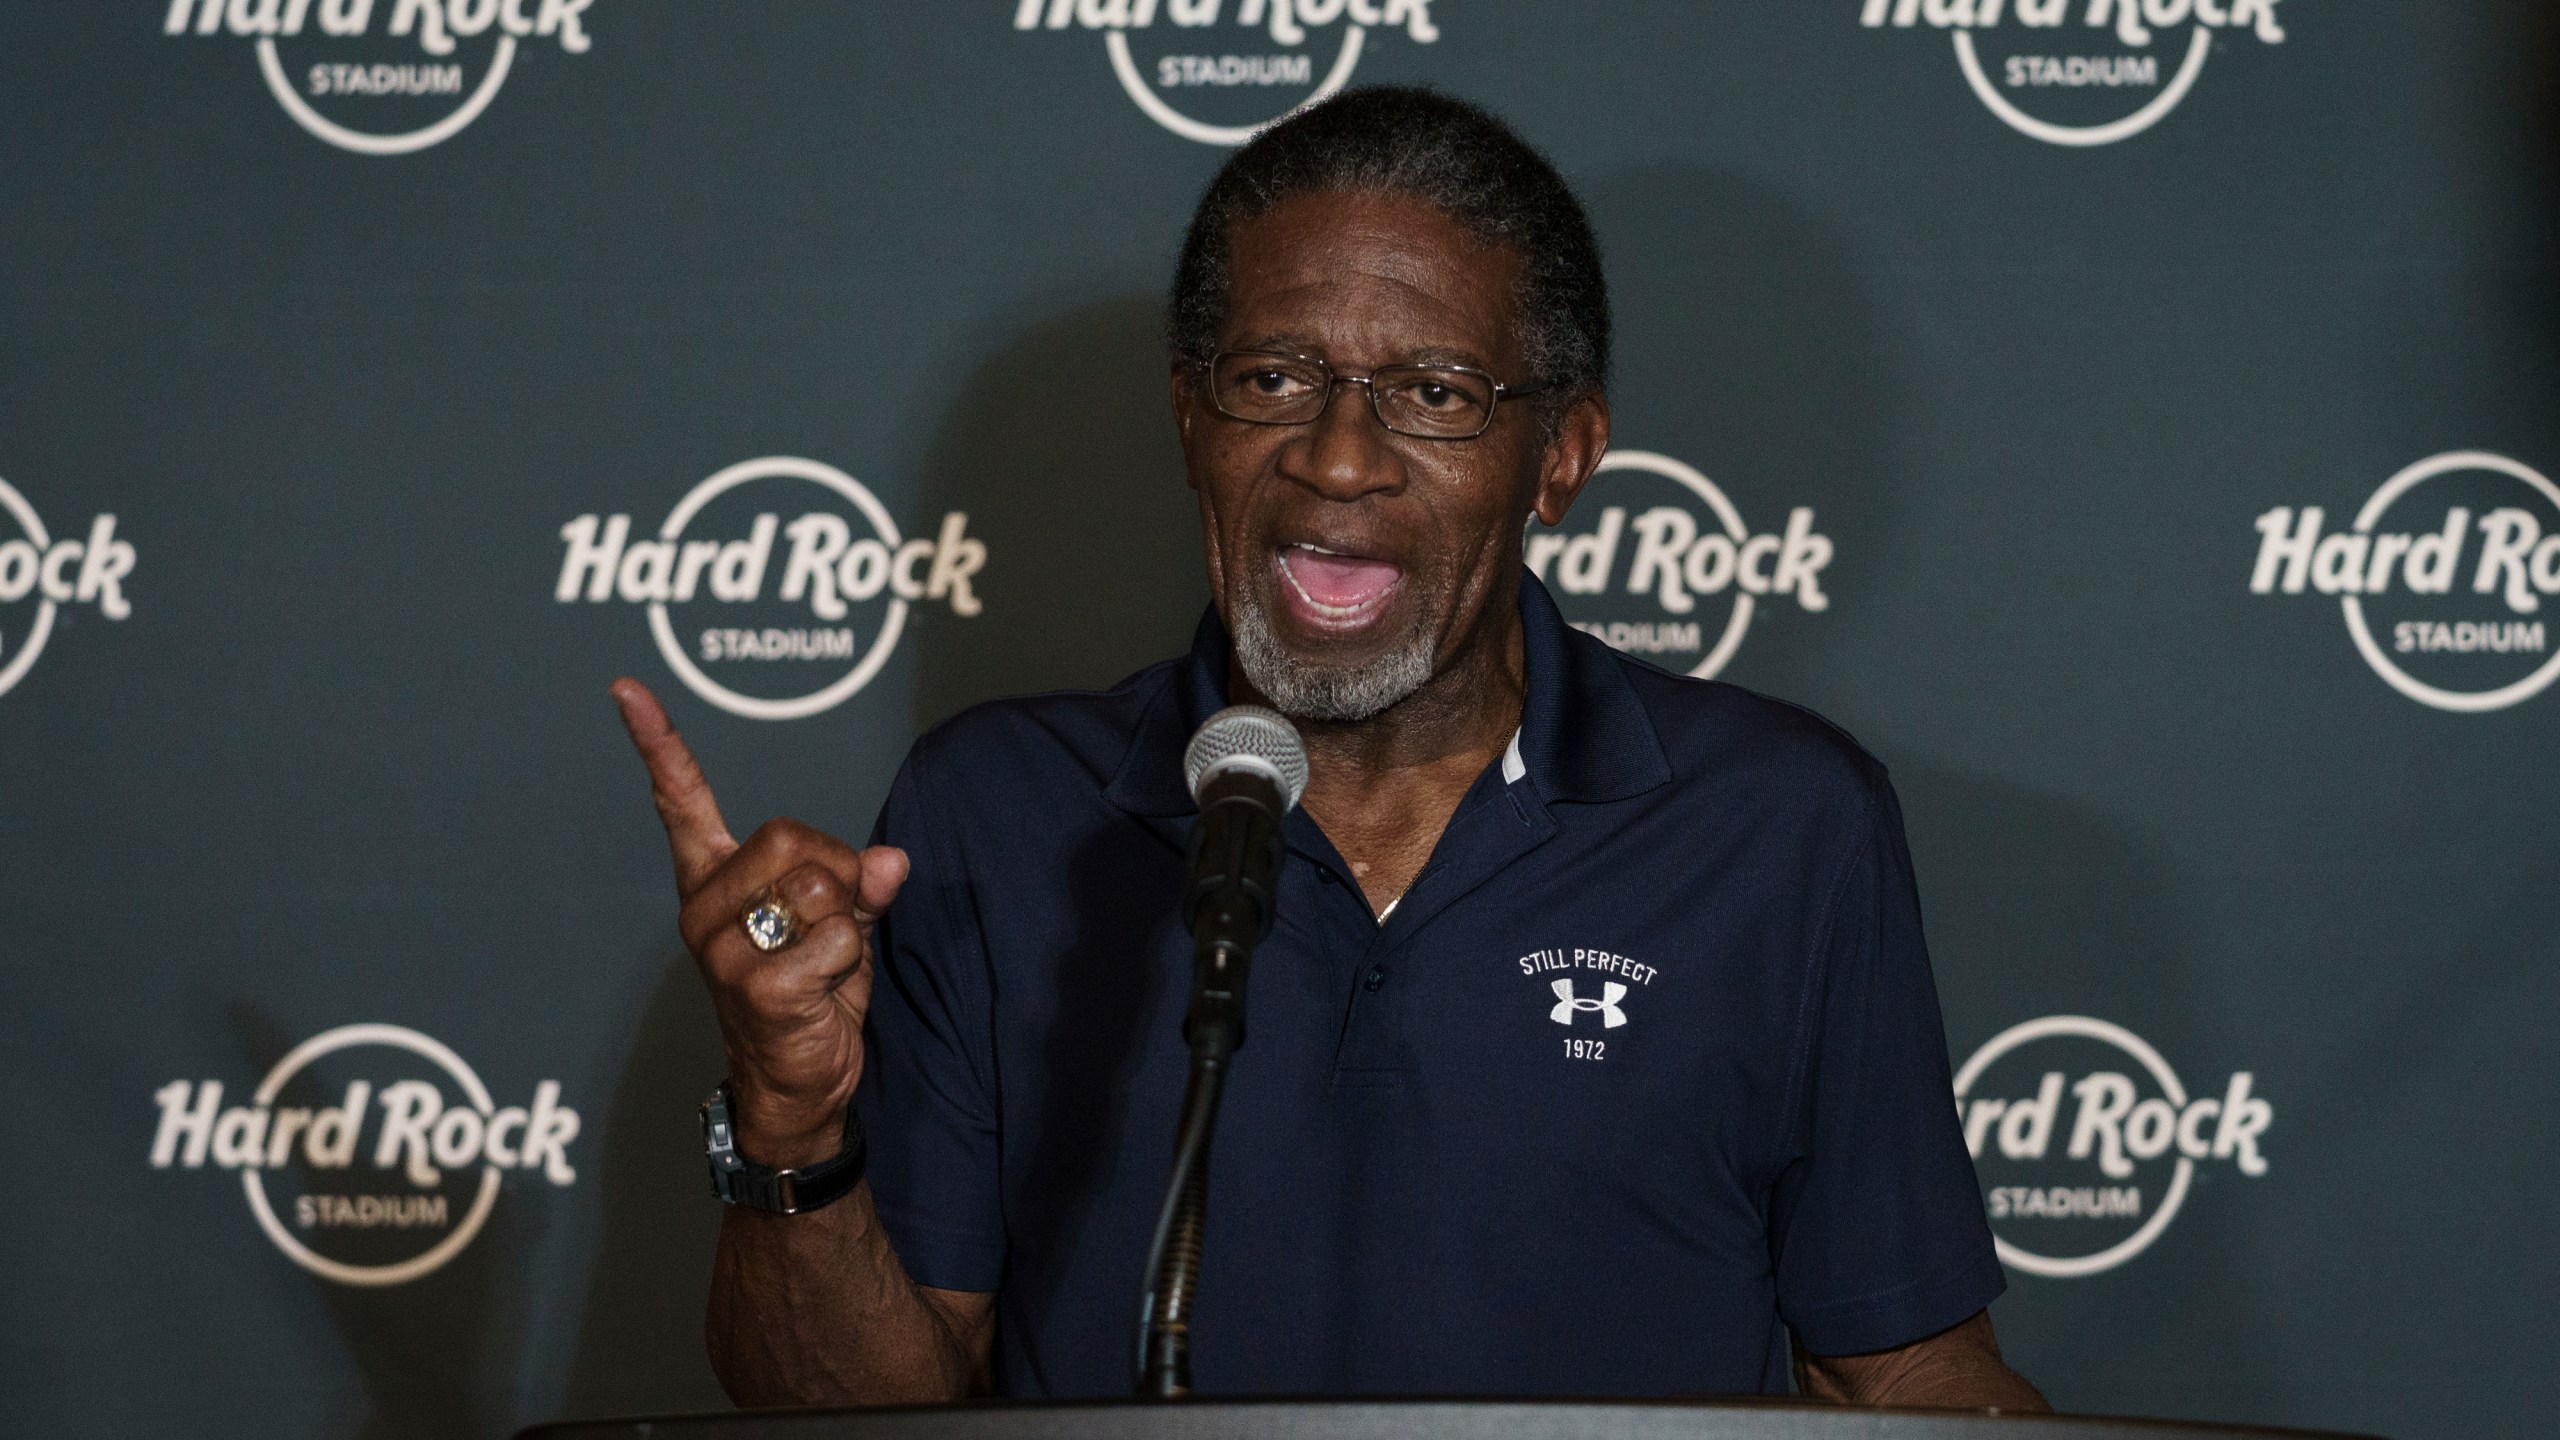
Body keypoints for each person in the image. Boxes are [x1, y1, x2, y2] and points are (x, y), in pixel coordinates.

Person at [610, 86, 2046, 1411]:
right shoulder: (987, 814)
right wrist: (792, 1130)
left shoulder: (1781, 827)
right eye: (1275, 378)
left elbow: (1905, 1370)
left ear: (1563, 455)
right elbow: (869, 1420)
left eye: (1434, 392)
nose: (1339, 456)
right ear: (1190, 417)